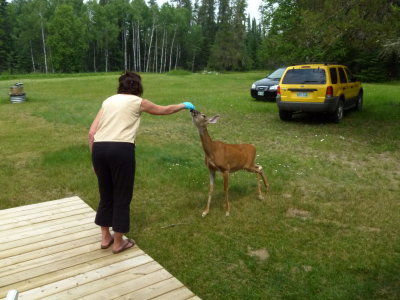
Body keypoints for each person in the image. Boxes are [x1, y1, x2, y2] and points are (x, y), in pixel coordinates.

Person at [88, 71, 195, 254]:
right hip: (121, 150)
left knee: (106, 194)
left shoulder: (108, 101)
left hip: (99, 149)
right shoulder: (138, 102)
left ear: (120, 86)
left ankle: (105, 237)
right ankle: (118, 242)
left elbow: (91, 132)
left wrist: (94, 160)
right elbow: (164, 110)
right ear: (138, 87)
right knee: (122, 195)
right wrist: (184, 105)